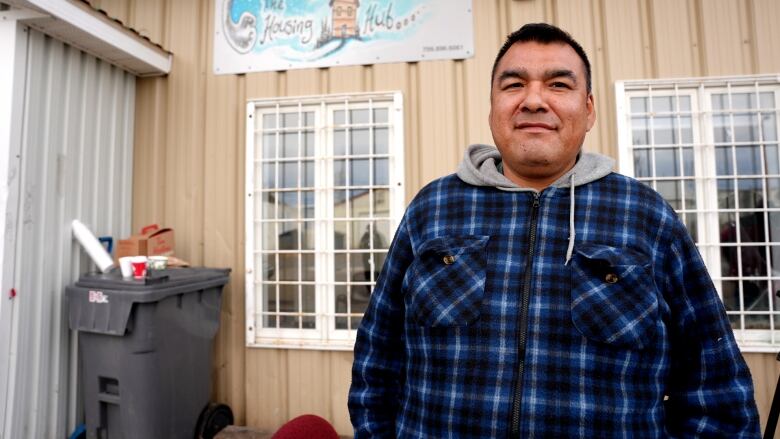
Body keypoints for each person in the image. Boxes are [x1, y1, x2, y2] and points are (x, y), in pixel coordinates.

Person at [348, 22, 761, 438]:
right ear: (492, 107)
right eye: (513, 85)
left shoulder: (646, 218)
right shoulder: (432, 210)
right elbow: (376, 361)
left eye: (558, 85)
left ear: (589, 109)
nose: (533, 100)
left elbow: (718, 389)